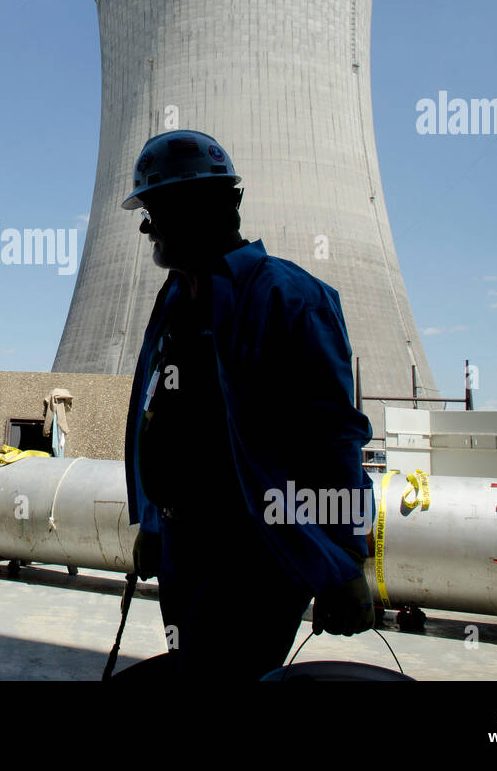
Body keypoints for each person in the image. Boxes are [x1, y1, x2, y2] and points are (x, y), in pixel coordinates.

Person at [121, 130, 376, 680]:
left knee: (219, 674)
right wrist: (151, 523)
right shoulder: (173, 300)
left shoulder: (290, 299)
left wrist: (346, 563)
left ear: (211, 206)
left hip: (255, 552)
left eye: (156, 209)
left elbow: (335, 440)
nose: (146, 227)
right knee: (195, 666)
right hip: (183, 546)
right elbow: (153, 411)